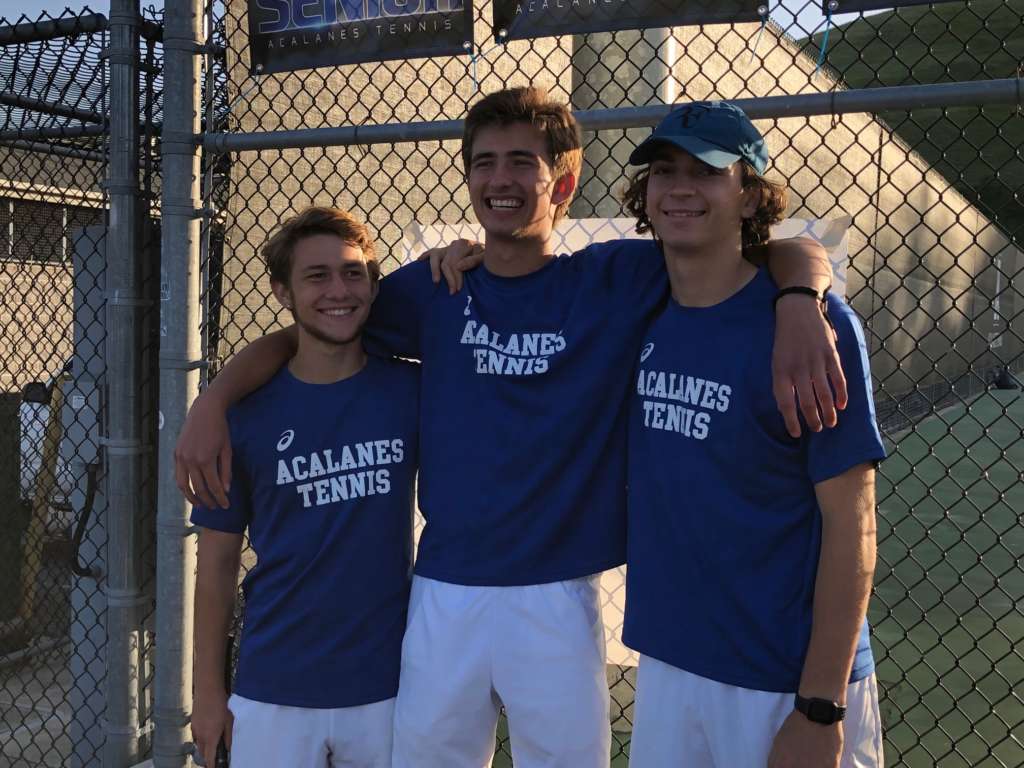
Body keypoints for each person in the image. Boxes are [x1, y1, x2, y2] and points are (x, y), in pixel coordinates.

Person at [177, 87, 844, 768]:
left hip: (556, 594)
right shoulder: (435, 289)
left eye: (522, 162)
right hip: (444, 592)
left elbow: (769, 253)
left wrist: (799, 300)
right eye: (484, 162)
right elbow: (310, 329)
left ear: (563, 180)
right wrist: (214, 400)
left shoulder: (615, 276)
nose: (501, 179)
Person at [621, 101, 886, 767]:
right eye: (664, 170)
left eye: (707, 172)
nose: (680, 187)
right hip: (670, 665)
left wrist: (820, 707)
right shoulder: (638, 302)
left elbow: (852, 528)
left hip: (783, 681)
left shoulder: (814, 331)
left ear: (750, 198)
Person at [189, 207, 419, 768]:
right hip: (275, 686)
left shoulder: (412, 390)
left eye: (353, 273)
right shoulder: (241, 420)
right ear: (282, 291)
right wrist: (207, 694)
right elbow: (216, 566)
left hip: (389, 683)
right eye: (316, 276)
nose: (337, 290)